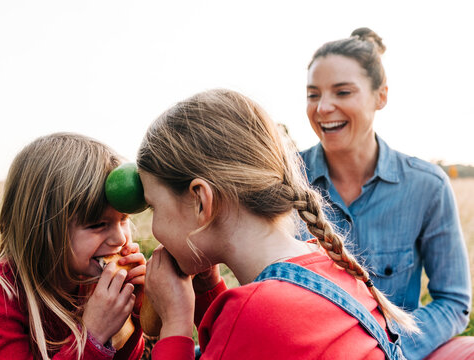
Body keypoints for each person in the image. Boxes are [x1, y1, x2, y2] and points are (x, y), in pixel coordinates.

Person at [136, 89, 418, 360]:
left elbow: (250, 330)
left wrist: (175, 323)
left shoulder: (253, 313)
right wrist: (208, 288)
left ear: (200, 201)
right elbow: (241, 345)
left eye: (154, 207)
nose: (154, 227)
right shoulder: (327, 264)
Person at [301, 28, 471, 359]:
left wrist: (385, 350)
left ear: (381, 96)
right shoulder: (283, 181)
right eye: (312, 94)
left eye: (343, 92)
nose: (323, 108)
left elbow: (453, 301)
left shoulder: (427, 186)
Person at [0, 133, 146, 360]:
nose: (120, 238)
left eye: (123, 219)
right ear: (42, 228)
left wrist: (131, 312)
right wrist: (92, 336)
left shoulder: (92, 281)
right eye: (98, 224)